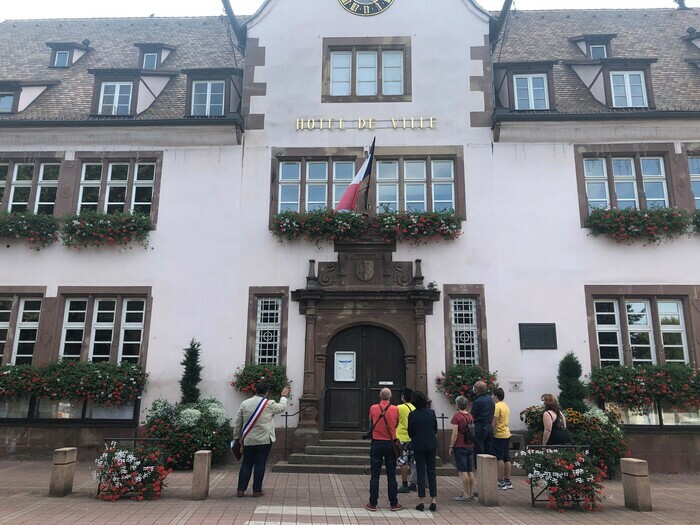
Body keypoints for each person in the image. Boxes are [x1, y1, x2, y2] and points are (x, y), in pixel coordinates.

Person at [233, 382, 290, 498]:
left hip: (248, 440)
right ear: (266, 392)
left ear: (255, 391)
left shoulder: (245, 403)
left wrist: (236, 438)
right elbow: (282, 407)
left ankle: (240, 490)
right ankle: (257, 491)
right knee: (260, 464)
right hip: (264, 440)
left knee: (246, 464)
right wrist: (283, 396)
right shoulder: (269, 404)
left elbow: (238, 423)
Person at [365, 388, 404, 512]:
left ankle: (372, 503)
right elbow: (396, 424)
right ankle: (393, 503)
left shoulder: (373, 408)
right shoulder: (395, 409)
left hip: (376, 443)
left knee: (375, 475)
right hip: (390, 444)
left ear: (380, 396)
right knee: (391, 475)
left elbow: (371, 421)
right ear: (390, 397)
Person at [408, 391, 438, 512]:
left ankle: (421, 500)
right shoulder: (431, 413)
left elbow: (410, 431)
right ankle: (433, 500)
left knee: (420, 471)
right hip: (431, 444)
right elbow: (435, 428)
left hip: (418, 445)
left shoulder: (412, 414)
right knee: (431, 471)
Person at [449, 395, 476, 501]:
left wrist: (451, 446)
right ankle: (471, 492)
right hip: (470, 445)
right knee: (470, 470)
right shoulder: (470, 416)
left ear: (458, 405)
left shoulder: (457, 417)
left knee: (463, 470)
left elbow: (455, 433)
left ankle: (465, 494)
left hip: (460, 445)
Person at [396, 388, 417, 493]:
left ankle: (404, 484)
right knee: (413, 461)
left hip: (402, 437)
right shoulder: (414, 407)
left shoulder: (399, 407)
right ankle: (413, 483)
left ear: (403, 397)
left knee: (403, 461)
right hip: (412, 437)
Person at [492, 387, 513, 490]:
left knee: (499, 457)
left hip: (499, 434)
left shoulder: (497, 406)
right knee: (506, 457)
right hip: (507, 433)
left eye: (493, 395)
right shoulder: (506, 406)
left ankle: (500, 481)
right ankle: (508, 480)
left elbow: (495, 421)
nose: (492, 397)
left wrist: (493, 431)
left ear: (496, 396)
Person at [470, 381, 495, 463]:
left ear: (477, 390)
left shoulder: (477, 401)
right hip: (489, 426)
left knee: (479, 450)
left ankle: (481, 470)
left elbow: (472, 416)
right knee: (489, 450)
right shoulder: (491, 399)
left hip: (480, 427)